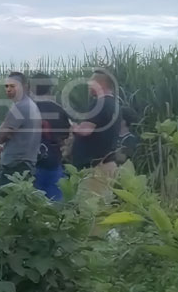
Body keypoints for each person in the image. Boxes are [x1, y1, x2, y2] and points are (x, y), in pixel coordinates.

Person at [71, 70, 122, 198]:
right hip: (108, 165)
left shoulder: (100, 103)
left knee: (89, 209)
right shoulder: (114, 105)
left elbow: (85, 131)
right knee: (102, 207)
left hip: (96, 168)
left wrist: (73, 127)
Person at [0, 72, 42, 187]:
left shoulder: (20, 107)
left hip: (16, 166)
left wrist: (4, 127)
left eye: (13, 86)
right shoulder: (31, 105)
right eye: (7, 86)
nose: (8, 89)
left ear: (24, 87)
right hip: (26, 164)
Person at [31, 73, 71, 201]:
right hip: (54, 161)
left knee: (33, 203)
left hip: (31, 162)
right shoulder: (60, 110)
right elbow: (69, 136)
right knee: (55, 204)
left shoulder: (25, 109)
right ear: (50, 88)